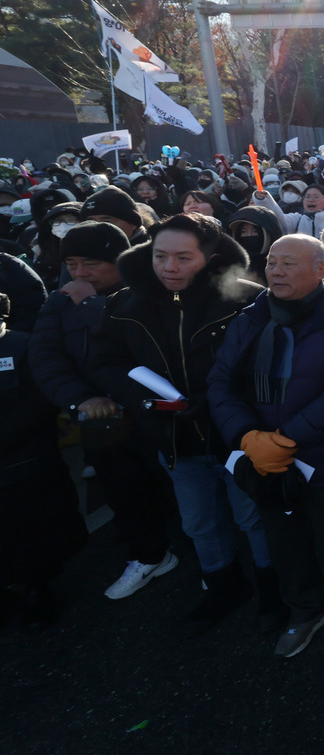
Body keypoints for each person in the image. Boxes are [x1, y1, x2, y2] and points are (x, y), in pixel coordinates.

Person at [93, 213, 277, 636]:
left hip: (236, 436)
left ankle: (274, 585)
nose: (169, 268)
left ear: (210, 258)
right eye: (160, 256)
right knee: (199, 522)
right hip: (173, 436)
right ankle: (223, 586)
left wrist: (220, 403)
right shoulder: (125, 304)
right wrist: (146, 399)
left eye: (182, 257)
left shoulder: (246, 299)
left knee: (253, 516)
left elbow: (271, 366)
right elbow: (106, 362)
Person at [207, 234, 324, 658]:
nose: (276, 272)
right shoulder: (250, 318)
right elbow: (220, 383)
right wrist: (249, 437)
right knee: (286, 543)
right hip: (264, 459)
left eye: (289, 264)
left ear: (321, 270)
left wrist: (286, 438)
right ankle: (305, 610)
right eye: (272, 264)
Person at [28, 223, 179, 603]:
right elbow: (44, 356)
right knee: (122, 488)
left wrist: (91, 304)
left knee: (175, 483)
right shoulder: (58, 300)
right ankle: (149, 555)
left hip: (154, 411)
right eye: (73, 264)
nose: (79, 274)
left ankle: (200, 548)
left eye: (91, 264)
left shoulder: (148, 293)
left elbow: (145, 347)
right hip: (102, 420)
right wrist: (80, 399)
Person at [1, 291, 88, 628]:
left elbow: (40, 403)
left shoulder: (23, 346)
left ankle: (38, 589)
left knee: (31, 532)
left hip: (24, 463)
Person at [227, 206, 285, 287]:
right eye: (243, 232)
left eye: (255, 231)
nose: (249, 235)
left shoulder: (283, 264)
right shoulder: (230, 266)